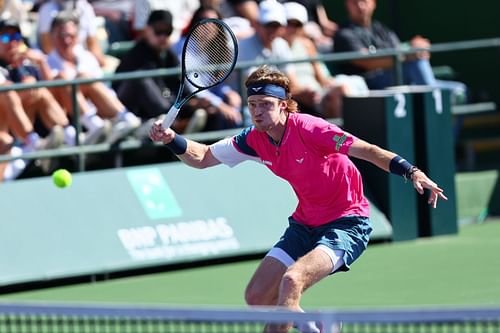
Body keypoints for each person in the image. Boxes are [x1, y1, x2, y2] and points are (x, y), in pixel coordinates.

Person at [149, 65, 447, 333]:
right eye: (252, 105)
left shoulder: (312, 129)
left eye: (265, 104)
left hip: (347, 224)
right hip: (304, 224)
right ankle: (320, 328)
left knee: (292, 281)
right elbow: (203, 157)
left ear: (284, 105)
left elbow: (367, 150)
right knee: (257, 296)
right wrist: (172, 139)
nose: (257, 112)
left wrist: (412, 172)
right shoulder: (253, 139)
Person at [333, 0, 466, 99]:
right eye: (355, 2)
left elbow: (398, 49)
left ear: (373, 3)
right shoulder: (344, 33)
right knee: (415, 63)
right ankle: (432, 98)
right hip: (369, 84)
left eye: (364, 1)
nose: (360, 6)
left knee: (460, 91)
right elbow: (367, 62)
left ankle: (433, 98)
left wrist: (416, 47)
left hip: (401, 79)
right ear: (347, 5)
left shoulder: (380, 29)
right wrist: (409, 54)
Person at [47, 13, 141, 145]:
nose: (66, 40)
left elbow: (101, 90)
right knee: (66, 79)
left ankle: (124, 120)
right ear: (51, 36)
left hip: (101, 113)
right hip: (69, 121)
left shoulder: (87, 57)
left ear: (78, 36)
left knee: (84, 78)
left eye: (71, 36)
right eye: (61, 36)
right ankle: (96, 126)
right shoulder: (46, 63)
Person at [0, 19, 76, 180]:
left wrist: (41, 62)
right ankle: (35, 143)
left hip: (33, 131)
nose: (12, 42)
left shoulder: (28, 64)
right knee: (13, 90)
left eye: (16, 37)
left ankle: (70, 138)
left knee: (46, 86)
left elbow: (53, 96)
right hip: (8, 134)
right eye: (5, 38)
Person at [113, 10, 207, 136]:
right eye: (158, 31)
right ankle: (176, 124)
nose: (163, 37)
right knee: (141, 79)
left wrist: (192, 101)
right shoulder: (136, 55)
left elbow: (177, 84)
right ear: (147, 30)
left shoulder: (169, 56)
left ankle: (178, 122)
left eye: (167, 32)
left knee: (209, 112)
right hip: (131, 111)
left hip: (161, 106)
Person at [283, 1, 368, 118]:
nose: (292, 28)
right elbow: (291, 86)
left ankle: (351, 132)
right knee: (341, 90)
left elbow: (321, 76)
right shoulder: (278, 47)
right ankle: (341, 134)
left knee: (351, 85)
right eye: (289, 23)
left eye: (297, 24)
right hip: (298, 98)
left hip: (317, 94)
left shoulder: (307, 44)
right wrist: (303, 93)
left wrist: (327, 86)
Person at [172, 5, 243, 131]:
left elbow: (214, 83)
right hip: (187, 99)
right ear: (195, 23)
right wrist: (221, 105)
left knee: (235, 106)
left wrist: (228, 92)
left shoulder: (217, 49)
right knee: (217, 110)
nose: (208, 26)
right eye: (204, 20)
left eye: (213, 22)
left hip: (209, 97)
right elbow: (194, 87)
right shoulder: (182, 47)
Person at [37, 0, 107, 68]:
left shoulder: (85, 7)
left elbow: (92, 43)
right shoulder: (47, 9)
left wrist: (101, 64)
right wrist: (66, 64)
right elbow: (48, 47)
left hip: (81, 58)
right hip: (56, 62)